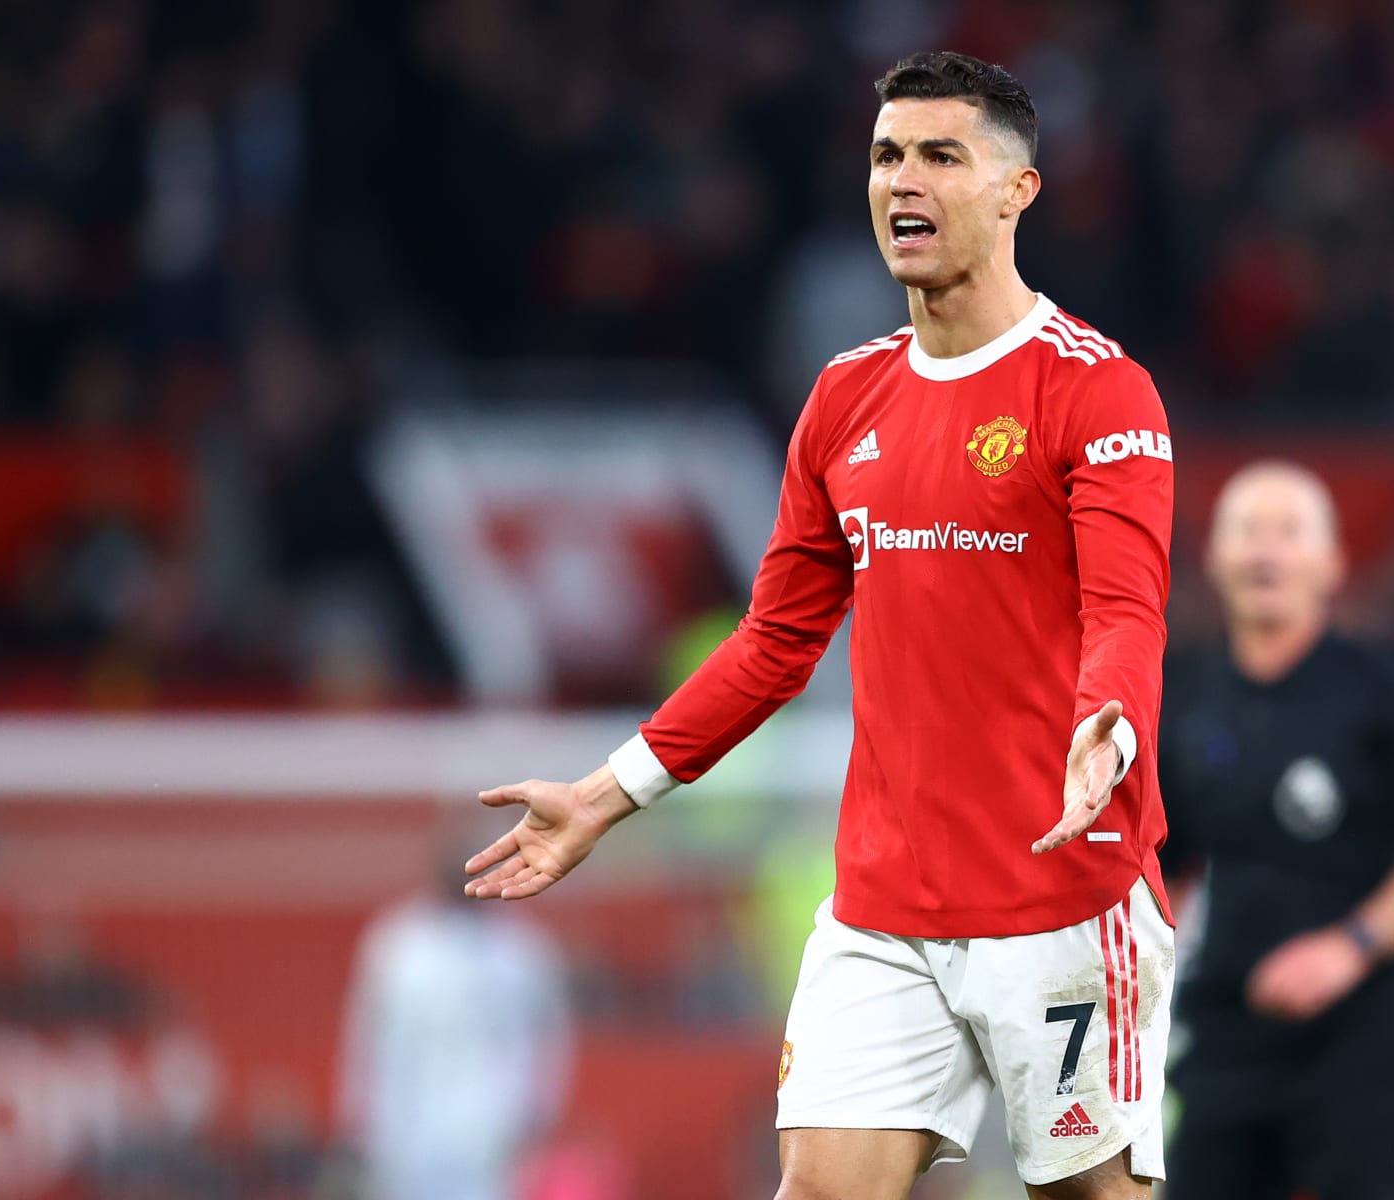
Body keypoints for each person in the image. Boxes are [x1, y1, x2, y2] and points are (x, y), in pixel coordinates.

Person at [465, 51, 1177, 1200]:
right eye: (888, 155)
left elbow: (1127, 605)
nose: (906, 179)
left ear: (1016, 192)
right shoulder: (845, 400)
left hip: (1061, 895)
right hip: (884, 911)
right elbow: (771, 643)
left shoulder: (1096, 390)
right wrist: (604, 796)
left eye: (943, 155)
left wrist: (1110, 720)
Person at [1158, 462, 1394, 1200]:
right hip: (1222, 1036)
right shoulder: (1181, 694)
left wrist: (1349, 947)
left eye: (1289, 532)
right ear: (1215, 557)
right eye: (1247, 531)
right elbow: (1158, 861)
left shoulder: (1389, 689)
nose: (1266, 551)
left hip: (1358, 1041)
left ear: (1332, 564)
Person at [339, 818, 575, 1200]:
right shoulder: (397, 944)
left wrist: (538, 1113)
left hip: (493, 1135)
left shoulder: (522, 949)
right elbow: (369, 1038)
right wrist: (361, 1125)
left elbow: (550, 1038)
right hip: (407, 1137)